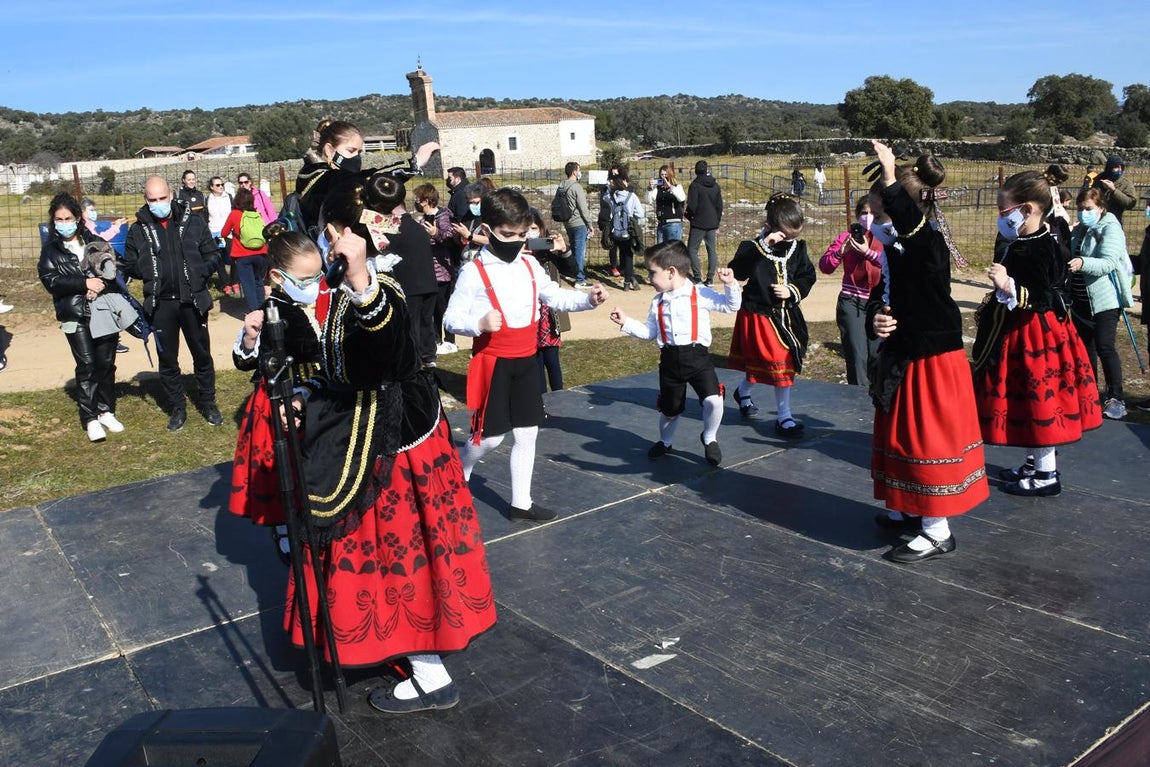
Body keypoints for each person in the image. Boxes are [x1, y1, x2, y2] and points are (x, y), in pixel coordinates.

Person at [231, 213, 496, 714]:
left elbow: (390, 353)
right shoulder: (286, 303)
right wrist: (277, 371)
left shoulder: (376, 288)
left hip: (393, 447)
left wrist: (360, 280)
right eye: (303, 278)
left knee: (395, 557)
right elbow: (297, 365)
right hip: (341, 443)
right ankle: (405, 653)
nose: (316, 281)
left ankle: (429, 673)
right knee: (363, 555)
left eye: (321, 270)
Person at [444, 188, 608, 522]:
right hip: (494, 362)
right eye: (508, 235)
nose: (517, 242)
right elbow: (450, 318)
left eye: (522, 235)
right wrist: (478, 323)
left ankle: (521, 502)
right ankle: (458, 473)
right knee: (489, 439)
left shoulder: (531, 266)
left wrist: (589, 300)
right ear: (487, 231)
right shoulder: (474, 272)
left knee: (527, 432)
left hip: (526, 360)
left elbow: (556, 298)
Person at [865, 140, 988, 562]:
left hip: (931, 361)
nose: (873, 223)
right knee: (899, 436)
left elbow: (913, 233)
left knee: (925, 440)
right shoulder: (897, 250)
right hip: (903, 354)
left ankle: (938, 531)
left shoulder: (928, 244)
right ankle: (908, 509)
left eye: (880, 213)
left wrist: (889, 176)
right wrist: (876, 320)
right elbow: (884, 299)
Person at [971, 169, 1102, 498]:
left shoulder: (1041, 245)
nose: (1001, 218)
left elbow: (1044, 296)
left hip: (1036, 334)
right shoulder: (1029, 238)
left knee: (1040, 401)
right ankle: (1034, 462)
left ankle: (1046, 474)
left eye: (1005, 212)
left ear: (1027, 209)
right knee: (1026, 403)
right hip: (1023, 330)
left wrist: (1008, 285)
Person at [610, 240, 741, 466]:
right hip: (670, 361)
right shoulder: (658, 302)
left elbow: (731, 306)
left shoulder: (700, 293)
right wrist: (626, 322)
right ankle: (665, 441)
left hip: (698, 359)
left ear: (671, 272)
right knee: (670, 410)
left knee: (714, 400)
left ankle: (709, 437)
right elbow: (650, 332)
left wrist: (730, 285)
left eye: (652, 273)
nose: (649, 278)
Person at [122, 176, 222, 431]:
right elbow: (130, 263)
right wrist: (147, 267)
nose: (158, 204)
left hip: (192, 301)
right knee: (167, 359)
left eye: (162, 198)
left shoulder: (194, 222)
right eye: (152, 200)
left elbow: (212, 254)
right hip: (160, 304)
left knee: (202, 355)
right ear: (146, 199)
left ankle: (208, 402)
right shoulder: (138, 229)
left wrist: (200, 272)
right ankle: (177, 407)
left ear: (171, 195)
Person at [38, 193, 127, 442]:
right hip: (75, 315)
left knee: (106, 362)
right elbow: (51, 280)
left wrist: (100, 283)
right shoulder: (51, 251)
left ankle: (105, 409)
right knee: (87, 365)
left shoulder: (94, 241)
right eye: (58, 219)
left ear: (78, 218)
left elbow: (114, 267)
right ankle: (89, 418)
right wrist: (82, 283)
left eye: (68, 218)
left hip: (103, 311)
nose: (63, 223)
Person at [727, 193, 816, 438]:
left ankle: (777, 412)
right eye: (786, 235)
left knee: (782, 363)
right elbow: (738, 272)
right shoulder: (752, 248)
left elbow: (807, 275)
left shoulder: (798, 249)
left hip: (787, 316)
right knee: (772, 362)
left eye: (795, 235)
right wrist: (764, 245)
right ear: (769, 227)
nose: (790, 240)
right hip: (759, 315)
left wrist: (791, 290)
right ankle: (780, 413)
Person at [1069, 186, 1133, 421]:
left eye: (1088, 208)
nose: (1083, 212)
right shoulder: (1081, 228)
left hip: (1105, 299)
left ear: (1101, 208)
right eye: (1080, 209)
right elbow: (1070, 253)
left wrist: (1082, 262)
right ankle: (1089, 392)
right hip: (1080, 300)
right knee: (1086, 348)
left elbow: (1107, 262)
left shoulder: (1111, 228)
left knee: (1105, 346)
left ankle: (1116, 397)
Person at [819, 197, 884, 386]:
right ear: (857, 215)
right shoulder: (845, 237)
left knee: (877, 355)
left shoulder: (886, 236)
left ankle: (879, 402)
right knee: (857, 357)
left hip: (879, 302)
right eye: (864, 213)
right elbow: (825, 266)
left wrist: (867, 252)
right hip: (852, 299)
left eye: (873, 213)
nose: (868, 217)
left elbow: (893, 264)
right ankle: (858, 404)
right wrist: (841, 251)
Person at [525, 209, 570, 393]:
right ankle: (541, 400)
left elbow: (572, 270)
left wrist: (563, 250)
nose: (530, 233)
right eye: (526, 229)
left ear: (541, 229)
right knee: (535, 362)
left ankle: (559, 397)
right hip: (529, 313)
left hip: (549, 314)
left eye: (534, 228)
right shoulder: (517, 253)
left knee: (552, 360)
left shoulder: (548, 251)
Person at [413, 183, 460, 356]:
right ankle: (436, 339)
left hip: (442, 270)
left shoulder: (443, 215)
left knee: (443, 306)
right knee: (431, 309)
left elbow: (449, 235)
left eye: (420, 200)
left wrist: (435, 233)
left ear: (427, 200)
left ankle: (450, 340)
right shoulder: (423, 218)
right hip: (428, 269)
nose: (417, 203)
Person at [220, 186, 269, 312]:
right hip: (261, 253)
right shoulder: (256, 214)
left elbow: (224, 233)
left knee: (248, 285)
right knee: (258, 281)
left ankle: (254, 311)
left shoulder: (234, 214)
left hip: (242, 256)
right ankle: (262, 308)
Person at [685, 160, 723, 285]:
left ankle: (697, 276)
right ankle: (710, 278)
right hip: (712, 223)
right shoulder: (715, 185)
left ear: (695, 171)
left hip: (698, 223)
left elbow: (692, 205)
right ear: (707, 170)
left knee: (692, 249)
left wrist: (689, 216)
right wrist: (717, 221)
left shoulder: (694, 185)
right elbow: (719, 205)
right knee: (711, 249)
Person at [557, 162, 594, 289]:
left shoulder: (561, 186)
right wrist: (589, 223)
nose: (580, 172)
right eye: (579, 170)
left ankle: (571, 272)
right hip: (578, 222)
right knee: (579, 251)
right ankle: (580, 279)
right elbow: (583, 208)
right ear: (574, 171)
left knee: (573, 249)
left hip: (568, 222)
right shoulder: (576, 187)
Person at [607, 175, 645, 291]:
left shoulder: (612, 197)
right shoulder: (631, 196)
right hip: (628, 230)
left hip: (616, 231)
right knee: (629, 256)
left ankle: (625, 274)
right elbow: (640, 213)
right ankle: (627, 282)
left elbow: (610, 211)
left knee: (621, 253)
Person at [205, 176, 237, 294]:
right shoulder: (208, 199)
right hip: (216, 233)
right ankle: (226, 284)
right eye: (218, 185)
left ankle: (235, 281)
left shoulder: (228, 197)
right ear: (211, 187)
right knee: (220, 259)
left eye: (222, 184)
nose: (221, 187)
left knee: (234, 257)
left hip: (228, 233)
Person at [450, 182, 490, 263]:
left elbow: (492, 241)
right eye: (469, 203)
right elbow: (461, 241)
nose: (472, 206)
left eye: (475, 202)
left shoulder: (493, 216)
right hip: (468, 260)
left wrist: (469, 236)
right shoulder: (468, 216)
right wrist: (457, 236)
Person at [646, 165, 687, 245]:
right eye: (662, 175)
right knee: (661, 252)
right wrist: (650, 189)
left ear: (670, 175)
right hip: (661, 224)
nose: (664, 177)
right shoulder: (658, 189)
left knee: (673, 251)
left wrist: (670, 187)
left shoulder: (677, 187)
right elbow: (649, 201)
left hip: (673, 223)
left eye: (665, 175)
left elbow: (682, 198)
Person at [598, 164, 626, 278]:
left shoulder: (625, 186)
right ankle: (613, 266)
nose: (614, 176)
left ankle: (624, 267)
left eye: (616, 174)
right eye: (612, 174)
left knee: (624, 245)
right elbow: (604, 201)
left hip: (622, 220)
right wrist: (608, 188)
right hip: (609, 220)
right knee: (612, 245)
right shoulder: (606, 188)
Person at [1090, 155, 1137, 222]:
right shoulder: (1098, 180)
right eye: (1116, 167)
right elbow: (1089, 197)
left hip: (1115, 221)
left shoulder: (1126, 184)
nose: (1119, 170)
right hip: (1096, 220)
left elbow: (1130, 203)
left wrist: (1114, 191)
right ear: (1109, 168)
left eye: (1121, 167)